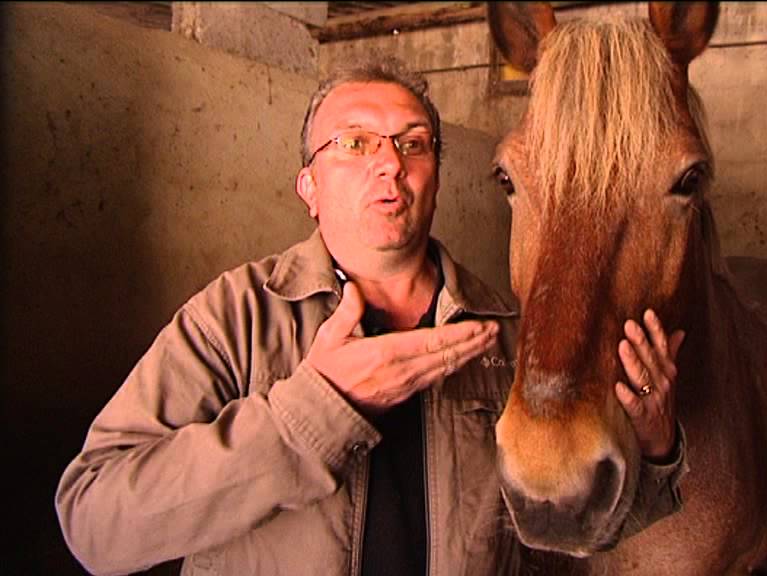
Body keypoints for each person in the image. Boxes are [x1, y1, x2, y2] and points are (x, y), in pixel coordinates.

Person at [56, 60, 688, 576]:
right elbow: (95, 522)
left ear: (435, 175)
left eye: (413, 143)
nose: (390, 163)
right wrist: (314, 412)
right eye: (355, 143)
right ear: (309, 187)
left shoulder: (507, 333)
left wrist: (657, 454)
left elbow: (562, 541)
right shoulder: (235, 316)